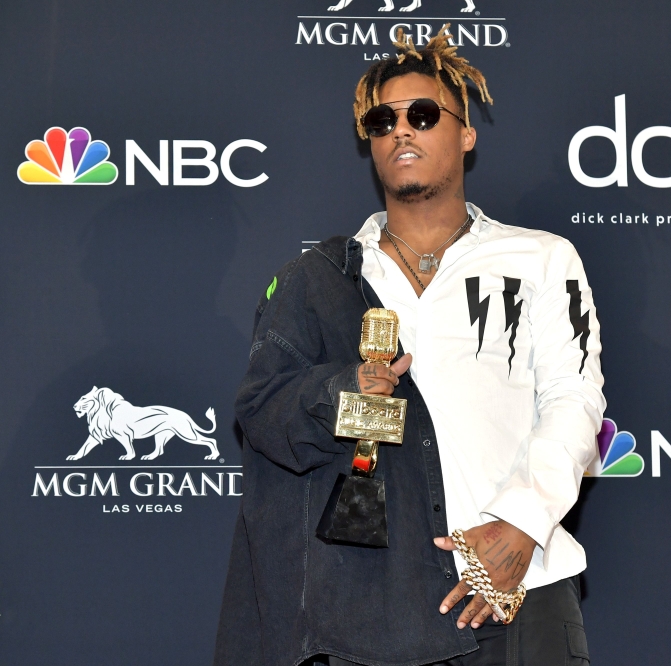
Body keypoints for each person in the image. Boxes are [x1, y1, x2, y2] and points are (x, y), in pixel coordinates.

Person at [215, 27, 604, 666]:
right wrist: (343, 391)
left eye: (423, 114)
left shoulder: (541, 258)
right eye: (382, 119)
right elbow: (263, 410)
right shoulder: (322, 278)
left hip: (524, 587)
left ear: (466, 133)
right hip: (374, 615)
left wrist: (522, 526)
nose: (402, 130)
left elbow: (574, 397)